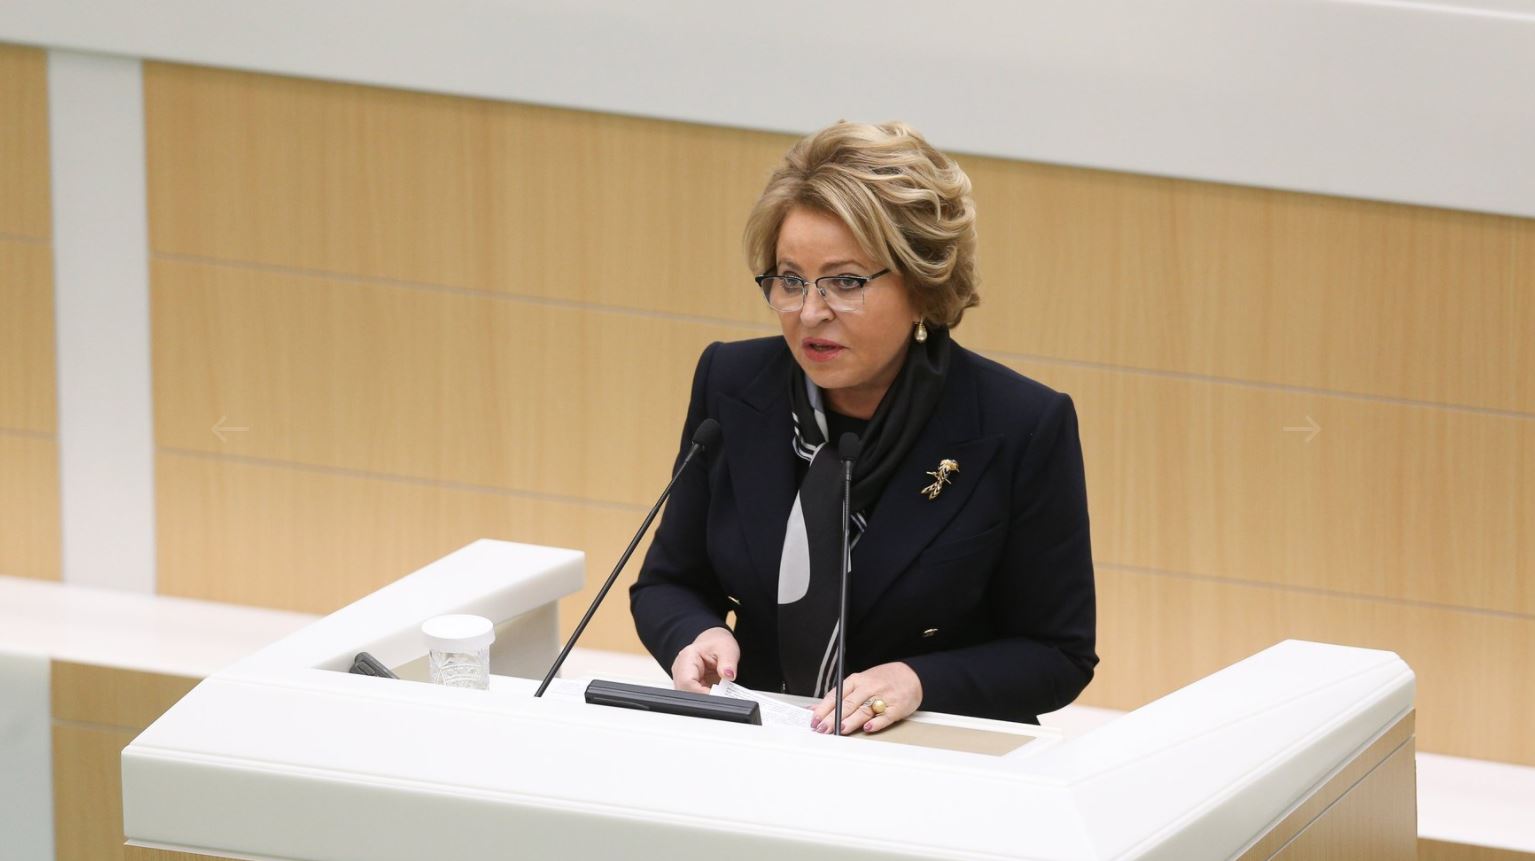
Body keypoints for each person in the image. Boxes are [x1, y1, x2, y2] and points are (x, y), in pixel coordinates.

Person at [629, 120, 1096, 735]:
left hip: (930, 749)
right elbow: (668, 581)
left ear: (923, 284)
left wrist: (918, 681)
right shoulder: (733, 384)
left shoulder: (1019, 424)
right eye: (790, 280)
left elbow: (1057, 653)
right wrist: (696, 635)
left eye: (845, 282)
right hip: (765, 739)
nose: (809, 312)